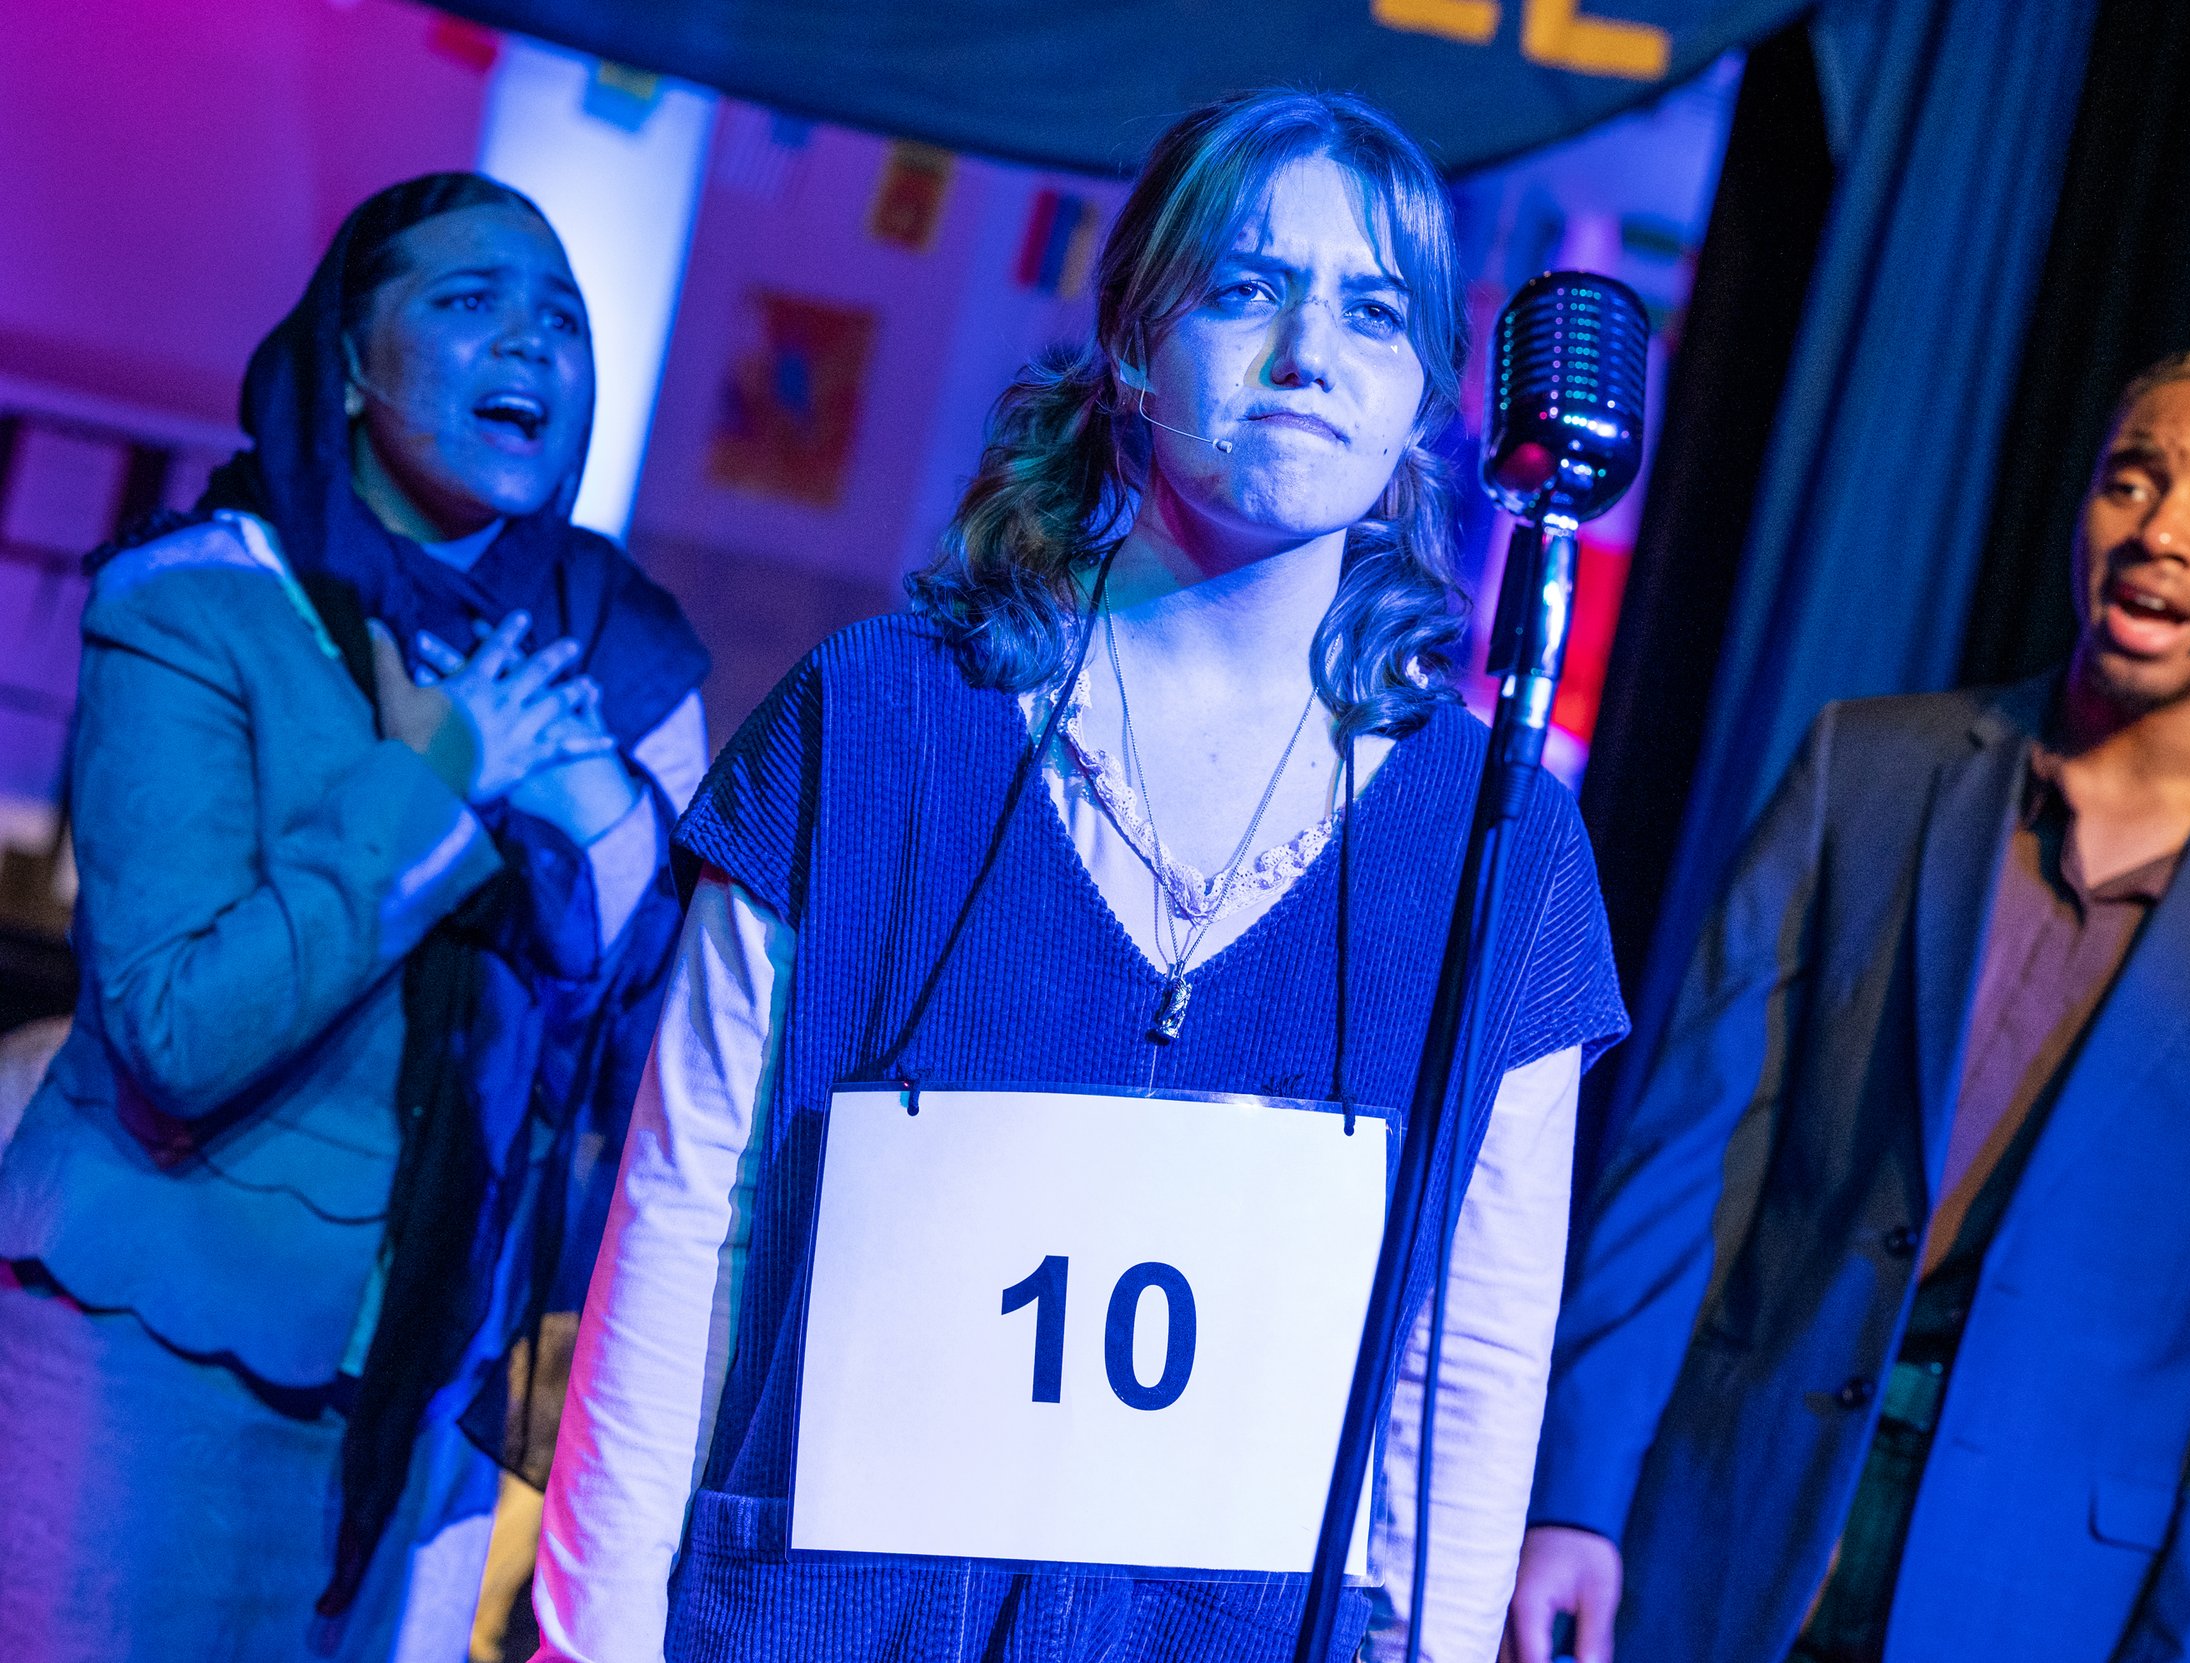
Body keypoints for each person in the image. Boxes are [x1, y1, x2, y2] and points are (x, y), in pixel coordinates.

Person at [530, 90, 1626, 1663]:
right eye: (1247, 288)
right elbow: (691, 1213)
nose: (1309, 353)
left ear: (1420, 404)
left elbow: (1470, 1357)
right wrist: (593, 1643)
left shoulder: (1496, 847)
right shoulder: (876, 721)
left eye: (1375, 312)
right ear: (1133, 339)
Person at [1508, 344, 2190, 1663]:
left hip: (2041, 1603)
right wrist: (1572, 1496)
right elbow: (1688, 1160)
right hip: (1719, 1524)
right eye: (2132, 480)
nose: (2162, 531)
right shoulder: (1867, 770)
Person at [0, 173, 710, 1661]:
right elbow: (175, 1032)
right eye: (469, 302)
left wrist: (600, 807)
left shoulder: (620, 658)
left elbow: (660, 1046)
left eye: (564, 318)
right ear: (347, 363)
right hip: (162, 1354)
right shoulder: (198, 606)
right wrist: (440, 789)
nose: (530, 342)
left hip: (433, 1380)